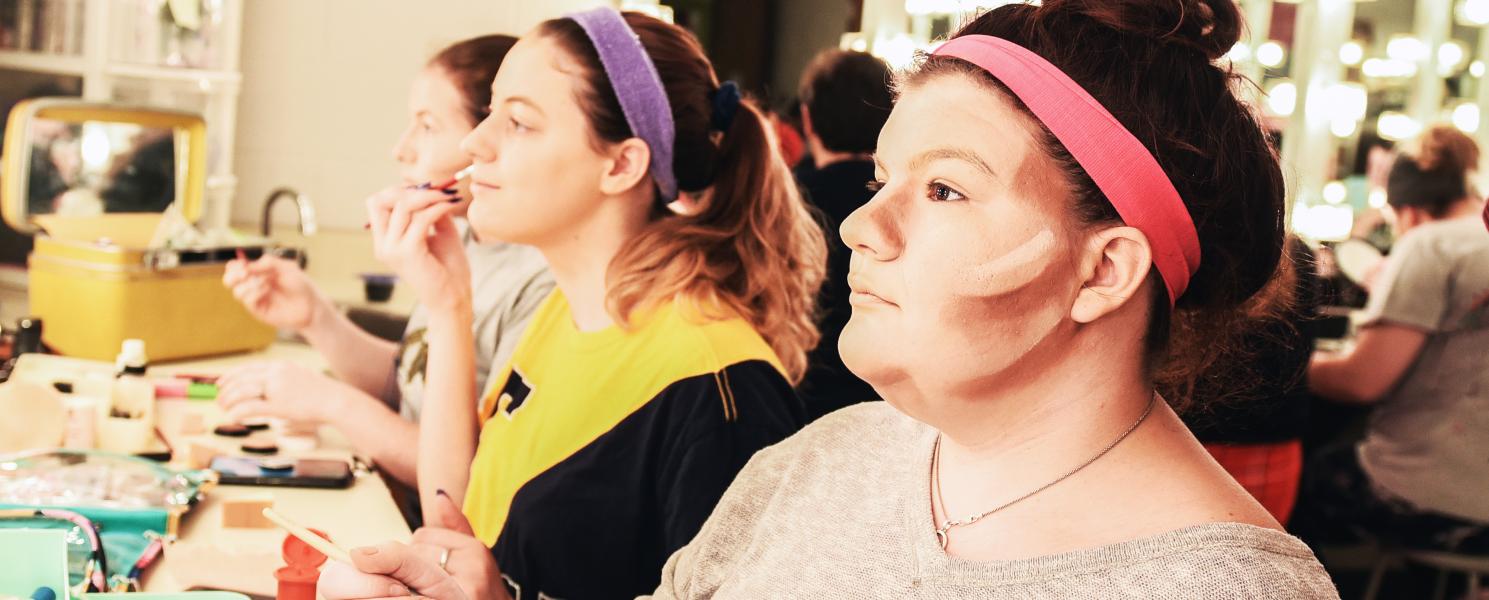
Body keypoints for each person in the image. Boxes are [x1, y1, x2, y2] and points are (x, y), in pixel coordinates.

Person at [320, 1, 1337, 598]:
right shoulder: (821, 458)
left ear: (1103, 270)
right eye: (881, 179)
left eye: (942, 190)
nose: (863, 226)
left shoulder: (1215, 590)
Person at [346, 8, 825, 598]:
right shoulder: (567, 311)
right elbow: (459, 524)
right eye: (492, 109)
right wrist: (448, 304)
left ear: (622, 164)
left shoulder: (719, 389)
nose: (476, 142)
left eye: (518, 122)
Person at [217, 35, 553, 487]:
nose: (401, 150)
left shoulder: (541, 284)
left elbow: (470, 478)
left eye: (428, 126)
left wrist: (331, 403)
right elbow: (409, 387)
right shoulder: (468, 243)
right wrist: (316, 317)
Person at [1300, 125, 1489, 554]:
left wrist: (1290, 363)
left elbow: (1362, 381)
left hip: (1429, 495)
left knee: (1310, 479)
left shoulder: (1430, 245)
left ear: (1410, 211)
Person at [1182, 237, 1321, 524]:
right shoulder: (1295, 255)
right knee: (1256, 561)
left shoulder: (1180, 247)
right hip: (1273, 455)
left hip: (1182, 447)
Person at [793, 49, 892, 420]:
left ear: (807, 119)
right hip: (885, 402)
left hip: (796, 396)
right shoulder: (909, 202)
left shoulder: (782, 203)